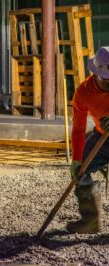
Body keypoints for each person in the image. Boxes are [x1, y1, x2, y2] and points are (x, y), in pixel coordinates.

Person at [68, 46, 109, 233]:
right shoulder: (83, 93)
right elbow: (78, 129)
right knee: (81, 170)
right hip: (103, 137)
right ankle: (91, 221)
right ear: (98, 74)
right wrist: (76, 160)